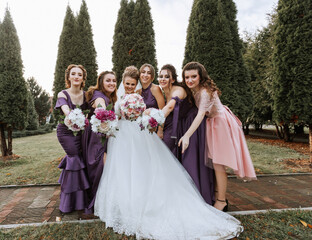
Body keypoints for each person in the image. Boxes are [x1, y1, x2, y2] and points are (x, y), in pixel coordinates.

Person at [94, 66, 243, 240]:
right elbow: (113, 114)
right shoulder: (119, 96)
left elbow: (163, 108)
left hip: (139, 134)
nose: (129, 86)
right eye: (127, 83)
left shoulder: (145, 93)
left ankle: (149, 202)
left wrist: (154, 120)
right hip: (121, 138)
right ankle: (124, 204)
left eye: (132, 83)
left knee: (143, 168)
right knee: (123, 171)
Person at [179, 61, 257, 211]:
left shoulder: (204, 92)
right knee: (214, 163)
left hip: (220, 125)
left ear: (201, 76)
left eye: (193, 76)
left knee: (219, 164)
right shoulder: (195, 90)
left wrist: (187, 135)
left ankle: (221, 201)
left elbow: (201, 114)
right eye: (187, 77)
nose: (189, 80)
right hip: (211, 124)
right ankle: (216, 194)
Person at [159, 64, 215, 205]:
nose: (163, 79)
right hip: (181, 126)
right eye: (161, 76)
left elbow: (171, 106)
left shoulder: (177, 90)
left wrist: (155, 118)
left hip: (192, 124)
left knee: (191, 159)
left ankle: (196, 197)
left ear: (173, 79)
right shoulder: (161, 91)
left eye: (167, 76)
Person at [54, 64, 90, 214]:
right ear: (68, 77)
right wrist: (71, 116)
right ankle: (69, 203)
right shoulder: (62, 94)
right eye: (73, 74)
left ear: (83, 79)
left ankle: (80, 200)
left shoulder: (87, 95)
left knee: (79, 160)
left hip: (82, 132)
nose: (76, 76)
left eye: (79, 75)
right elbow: (65, 109)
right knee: (74, 158)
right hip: (65, 132)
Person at [83, 70, 117, 215]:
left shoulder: (110, 97)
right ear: (101, 82)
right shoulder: (98, 96)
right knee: (98, 168)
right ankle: (96, 204)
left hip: (102, 135)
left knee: (103, 168)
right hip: (96, 138)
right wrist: (103, 112)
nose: (111, 83)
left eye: (114, 81)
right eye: (108, 80)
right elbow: (100, 105)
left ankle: (102, 201)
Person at [137, 63, 165, 138]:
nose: (145, 75)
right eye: (143, 72)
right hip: (143, 129)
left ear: (152, 76)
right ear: (139, 74)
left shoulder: (155, 89)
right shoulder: (138, 91)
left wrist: (160, 130)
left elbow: (163, 111)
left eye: (149, 73)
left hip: (155, 128)